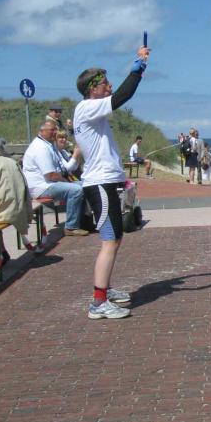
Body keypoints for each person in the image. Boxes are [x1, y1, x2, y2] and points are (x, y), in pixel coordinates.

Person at [73, 43, 150, 319]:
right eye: (105, 83)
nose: (110, 86)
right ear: (92, 88)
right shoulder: (87, 108)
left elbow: (117, 96)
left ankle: (104, 289)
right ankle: (98, 302)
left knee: (115, 238)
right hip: (99, 184)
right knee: (110, 240)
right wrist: (138, 68)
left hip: (104, 182)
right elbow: (122, 96)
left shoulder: (91, 111)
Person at [22, 120, 88, 236]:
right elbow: (51, 175)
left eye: (55, 130)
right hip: (41, 187)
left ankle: (84, 222)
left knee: (85, 185)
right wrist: (67, 181)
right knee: (76, 190)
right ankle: (71, 227)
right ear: (41, 131)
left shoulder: (48, 145)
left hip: (48, 183)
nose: (55, 132)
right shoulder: (40, 148)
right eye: (52, 130)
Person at [0, 137, 33, 268]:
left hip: (6, 211)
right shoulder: (11, 161)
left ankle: (0, 255)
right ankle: (2, 252)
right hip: (19, 209)